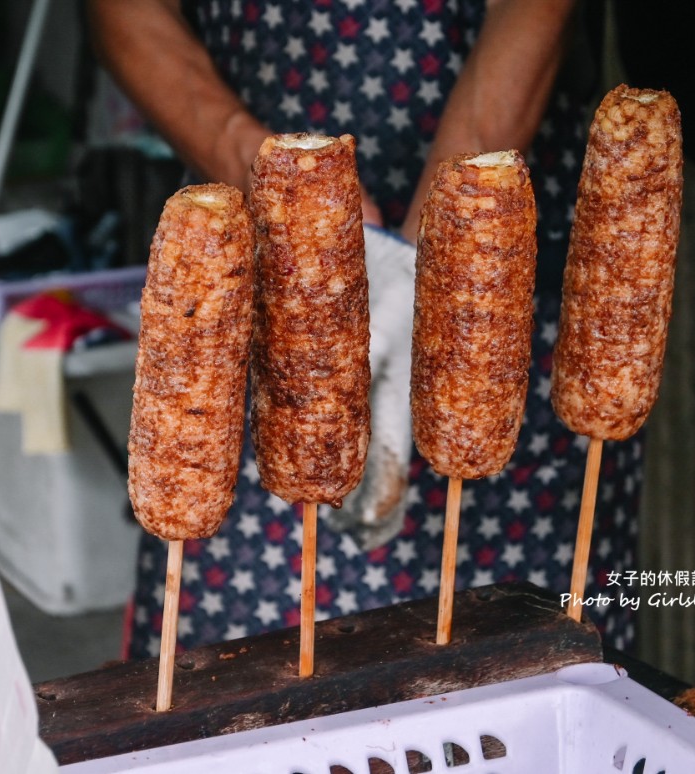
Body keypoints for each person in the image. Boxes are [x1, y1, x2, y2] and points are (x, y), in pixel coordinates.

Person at [86, 0, 641, 658]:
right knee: (238, 680)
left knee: (521, 667)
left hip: (495, 271)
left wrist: (440, 236)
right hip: (250, 267)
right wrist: (269, 177)